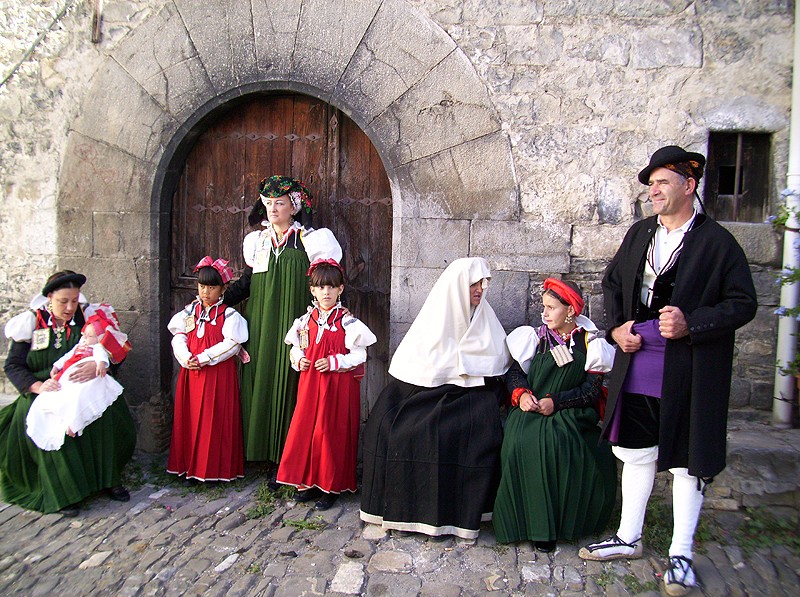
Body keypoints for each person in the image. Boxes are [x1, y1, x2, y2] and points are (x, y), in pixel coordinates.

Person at [578, 146, 758, 596]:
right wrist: (617, 327)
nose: (653, 190)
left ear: (689, 185)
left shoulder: (717, 243)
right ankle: (628, 537)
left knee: (684, 456)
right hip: (637, 355)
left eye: (662, 182)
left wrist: (692, 323)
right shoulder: (640, 234)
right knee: (636, 449)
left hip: (690, 362)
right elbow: (614, 284)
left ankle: (681, 553)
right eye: (651, 183)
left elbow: (743, 303)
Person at [360, 257, 511, 541]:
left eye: (484, 283)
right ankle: (405, 512)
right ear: (456, 288)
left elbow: (496, 370)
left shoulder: (486, 322)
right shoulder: (432, 324)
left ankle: (457, 516)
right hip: (426, 395)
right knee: (395, 429)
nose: (481, 288)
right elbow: (412, 376)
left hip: (472, 398)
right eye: (474, 283)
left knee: (458, 434)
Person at [493, 278, 617, 553]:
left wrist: (556, 402)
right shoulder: (536, 338)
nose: (545, 314)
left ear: (570, 310)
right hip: (532, 405)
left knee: (555, 443)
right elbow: (515, 373)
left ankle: (552, 527)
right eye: (543, 307)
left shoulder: (589, 343)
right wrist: (522, 395)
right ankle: (522, 522)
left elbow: (591, 391)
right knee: (520, 438)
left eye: (551, 308)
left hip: (572, 411)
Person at [225, 176, 342, 465]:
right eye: (268, 203)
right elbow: (248, 282)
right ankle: (258, 453)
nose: (273, 209)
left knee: (292, 382)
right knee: (261, 377)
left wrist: (339, 313)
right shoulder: (257, 241)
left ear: (294, 206)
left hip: (296, 326)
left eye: (280, 203)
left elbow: (326, 282)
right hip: (262, 323)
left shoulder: (311, 240)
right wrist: (218, 303)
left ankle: (287, 459)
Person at [0, 270, 136, 516]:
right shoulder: (31, 323)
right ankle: (64, 491)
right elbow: (13, 366)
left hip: (84, 386)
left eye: (74, 300)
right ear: (50, 297)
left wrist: (98, 366)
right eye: (63, 301)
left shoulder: (88, 317)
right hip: (45, 389)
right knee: (52, 421)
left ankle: (108, 479)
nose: (70, 306)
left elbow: (115, 351)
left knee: (103, 414)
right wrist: (37, 386)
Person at [277, 259, 377, 510]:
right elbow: (295, 348)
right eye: (321, 288)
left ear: (341, 289)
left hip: (337, 388)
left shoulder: (347, 322)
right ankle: (308, 481)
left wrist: (333, 362)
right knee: (307, 430)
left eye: (331, 287)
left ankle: (331, 486)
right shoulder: (304, 321)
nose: (326, 293)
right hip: (310, 386)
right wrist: (299, 359)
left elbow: (359, 355)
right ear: (312, 290)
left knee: (330, 432)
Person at [166, 257, 248, 483]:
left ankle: (212, 469)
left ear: (222, 289)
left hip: (216, 376)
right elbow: (179, 335)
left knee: (214, 419)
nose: (206, 292)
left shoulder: (229, 316)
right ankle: (188, 466)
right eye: (202, 286)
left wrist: (204, 358)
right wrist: (185, 357)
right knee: (191, 418)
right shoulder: (189, 313)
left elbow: (232, 344)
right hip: (191, 374)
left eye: (212, 287)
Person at [26, 308, 130, 451]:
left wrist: (101, 365)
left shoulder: (97, 345)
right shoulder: (79, 344)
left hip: (92, 378)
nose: (86, 339)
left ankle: (74, 424)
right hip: (69, 374)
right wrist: (56, 366)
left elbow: (103, 355)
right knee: (64, 394)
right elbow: (68, 356)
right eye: (85, 335)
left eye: (90, 336)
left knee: (81, 396)